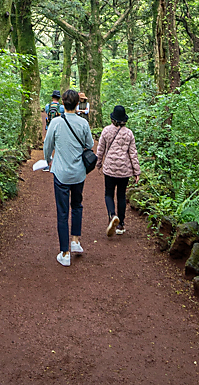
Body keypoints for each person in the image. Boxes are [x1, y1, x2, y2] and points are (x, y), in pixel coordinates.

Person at [43, 88, 94, 266]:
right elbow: (89, 144)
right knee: (77, 206)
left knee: (62, 212)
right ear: (77, 104)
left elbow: (47, 145)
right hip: (79, 173)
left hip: (61, 173)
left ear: (63, 104)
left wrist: (48, 160)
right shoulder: (83, 124)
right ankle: (76, 241)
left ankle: (65, 253)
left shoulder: (56, 123)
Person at [96, 104, 140, 237]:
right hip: (124, 170)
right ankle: (120, 225)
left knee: (108, 194)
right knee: (121, 195)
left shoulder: (106, 131)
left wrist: (98, 164)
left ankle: (112, 215)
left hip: (110, 168)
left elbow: (100, 149)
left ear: (113, 118)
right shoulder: (129, 133)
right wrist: (136, 171)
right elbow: (133, 153)